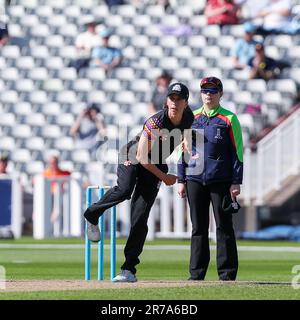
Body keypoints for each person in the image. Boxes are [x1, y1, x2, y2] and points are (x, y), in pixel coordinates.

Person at [84, 82, 194, 282]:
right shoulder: (156, 121)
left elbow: (185, 142)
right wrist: (165, 177)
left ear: (186, 103)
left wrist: (186, 149)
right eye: (171, 98)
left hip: (157, 162)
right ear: (166, 100)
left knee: (140, 216)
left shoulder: (189, 118)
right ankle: (92, 214)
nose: (174, 103)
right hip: (134, 155)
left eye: (179, 99)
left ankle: (128, 270)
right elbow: (143, 157)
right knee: (125, 191)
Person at [177, 76, 243, 281]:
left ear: (220, 94)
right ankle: (196, 274)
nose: (208, 94)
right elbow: (183, 150)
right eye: (205, 91)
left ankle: (227, 273)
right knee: (198, 228)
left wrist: (236, 181)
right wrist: (181, 179)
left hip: (221, 180)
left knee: (224, 227)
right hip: (194, 179)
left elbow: (237, 152)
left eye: (213, 91)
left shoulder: (229, 119)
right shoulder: (192, 117)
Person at [43, 154, 71, 227]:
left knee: (58, 209)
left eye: (54, 162)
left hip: (61, 196)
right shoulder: (45, 173)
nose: (53, 164)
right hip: (49, 196)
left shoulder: (65, 173)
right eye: (51, 163)